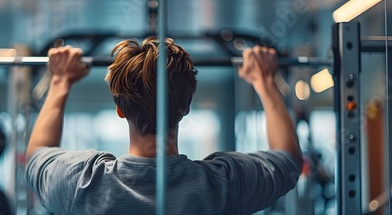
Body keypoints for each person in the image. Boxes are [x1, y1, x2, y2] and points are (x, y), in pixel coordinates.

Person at [25, 37, 302, 215]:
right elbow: (288, 160)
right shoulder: (223, 184)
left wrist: (61, 81)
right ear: (186, 107)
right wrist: (264, 81)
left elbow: (36, 155)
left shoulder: (83, 181)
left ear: (120, 110)